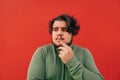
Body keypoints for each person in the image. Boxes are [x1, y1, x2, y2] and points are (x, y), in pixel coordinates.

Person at [27, 14, 104, 80]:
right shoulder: (43, 52)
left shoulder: (84, 53)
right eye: (55, 30)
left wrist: (71, 62)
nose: (59, 33)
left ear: (72, 34)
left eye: (64, 30)